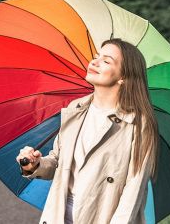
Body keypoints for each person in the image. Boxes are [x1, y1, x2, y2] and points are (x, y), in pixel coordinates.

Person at [16, 38, 159, 224]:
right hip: (60, 213)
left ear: (124, 77)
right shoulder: (76, 108)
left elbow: (135, 187)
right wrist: (35, 164)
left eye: (106, 61)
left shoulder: (138, 123)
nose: (95, 62)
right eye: (96, 56)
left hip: (103, 216)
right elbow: (58, 161)